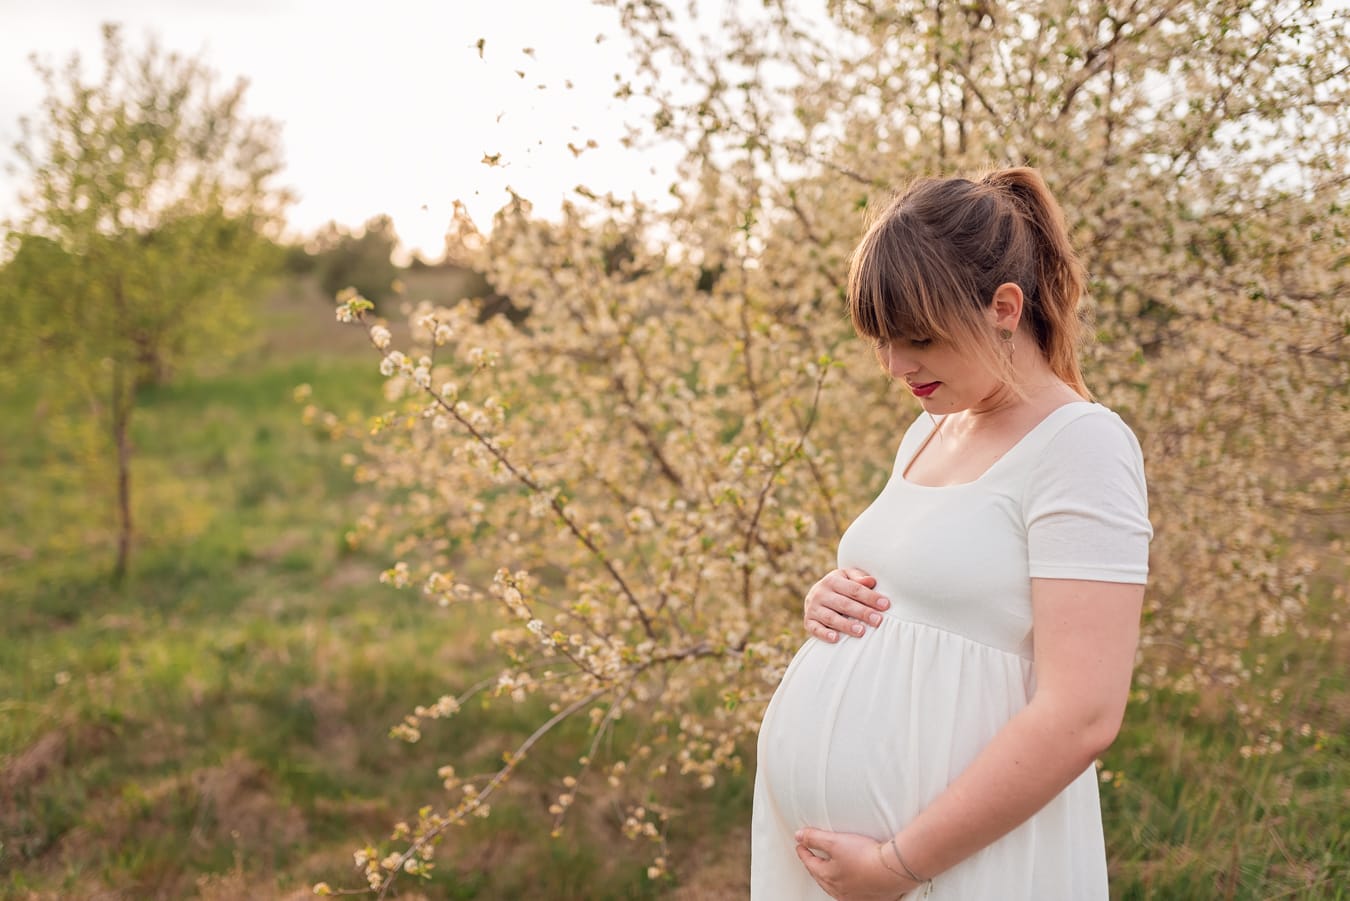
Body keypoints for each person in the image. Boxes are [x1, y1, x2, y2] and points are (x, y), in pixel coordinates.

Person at [750, 167, 1152, 900]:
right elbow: (927, 593)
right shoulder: (929, 430)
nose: (898, 366)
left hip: (954, 865)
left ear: (1004, 307)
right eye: (883, 341)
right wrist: (831, 598)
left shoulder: (1082, 446)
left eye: (920, 339)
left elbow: (1083, 713)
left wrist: (897, 865)